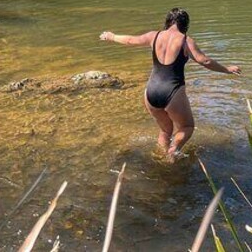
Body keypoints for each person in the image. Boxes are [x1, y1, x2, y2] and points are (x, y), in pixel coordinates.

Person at [100, 8, 241, 161]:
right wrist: (226, 69)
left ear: (167, 22)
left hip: (151, 92)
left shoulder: (154, 35)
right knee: (187, 127)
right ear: (185, 25)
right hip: (172, 91)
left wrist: (112, 36)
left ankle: (161, 159)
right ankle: (173, 151)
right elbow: (204, 60)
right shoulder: (185, 41)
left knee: (165, 131)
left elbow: (130, 40)